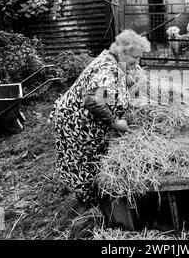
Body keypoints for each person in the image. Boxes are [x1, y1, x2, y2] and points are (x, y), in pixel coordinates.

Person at [51, 29, 150, 204]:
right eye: (136, 57)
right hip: (77, 122)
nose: (138, 61)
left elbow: (124, 79)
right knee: (84, 162)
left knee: (95, 158)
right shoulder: (107, 68)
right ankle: (90, 204)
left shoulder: (116, 61)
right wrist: (115, 122)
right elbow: (92, 100)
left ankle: (96, 197)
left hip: (83, 119)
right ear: (122, 52)